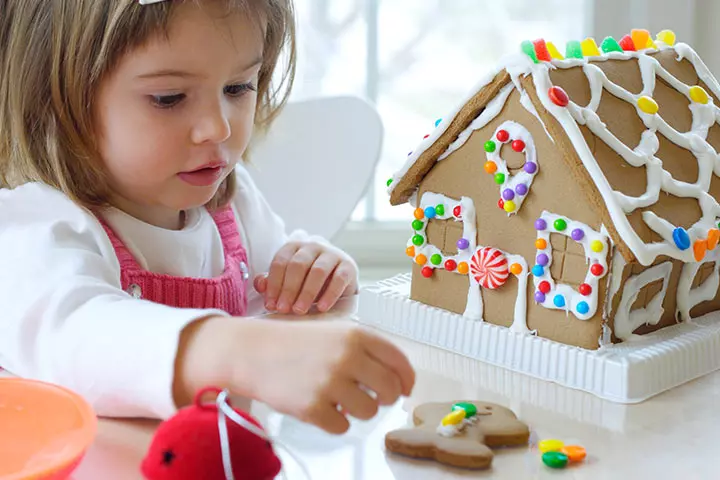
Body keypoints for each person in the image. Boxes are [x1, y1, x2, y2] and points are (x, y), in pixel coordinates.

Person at [0, 0, 414, 435]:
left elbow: (280, 306)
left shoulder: (230, 206)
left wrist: (316, 274)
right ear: (52, 98)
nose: (219, 127)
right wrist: (241, 352)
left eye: (237, 88)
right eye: (168, 98)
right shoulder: (35, 228)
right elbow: (75, 338)